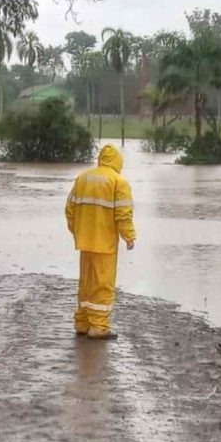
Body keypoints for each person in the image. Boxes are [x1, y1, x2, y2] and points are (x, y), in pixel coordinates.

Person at [65, 144, 136, 340]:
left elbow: (70, 209)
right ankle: (99, 327)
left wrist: (77, 231)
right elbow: (123, 214)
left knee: (86, 283)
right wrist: (129, 236)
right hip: (105, 243)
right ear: (117, 162)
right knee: (103, 284)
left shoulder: (83, 178)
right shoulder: (118, 182)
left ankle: (82, 323)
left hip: (85, 241)